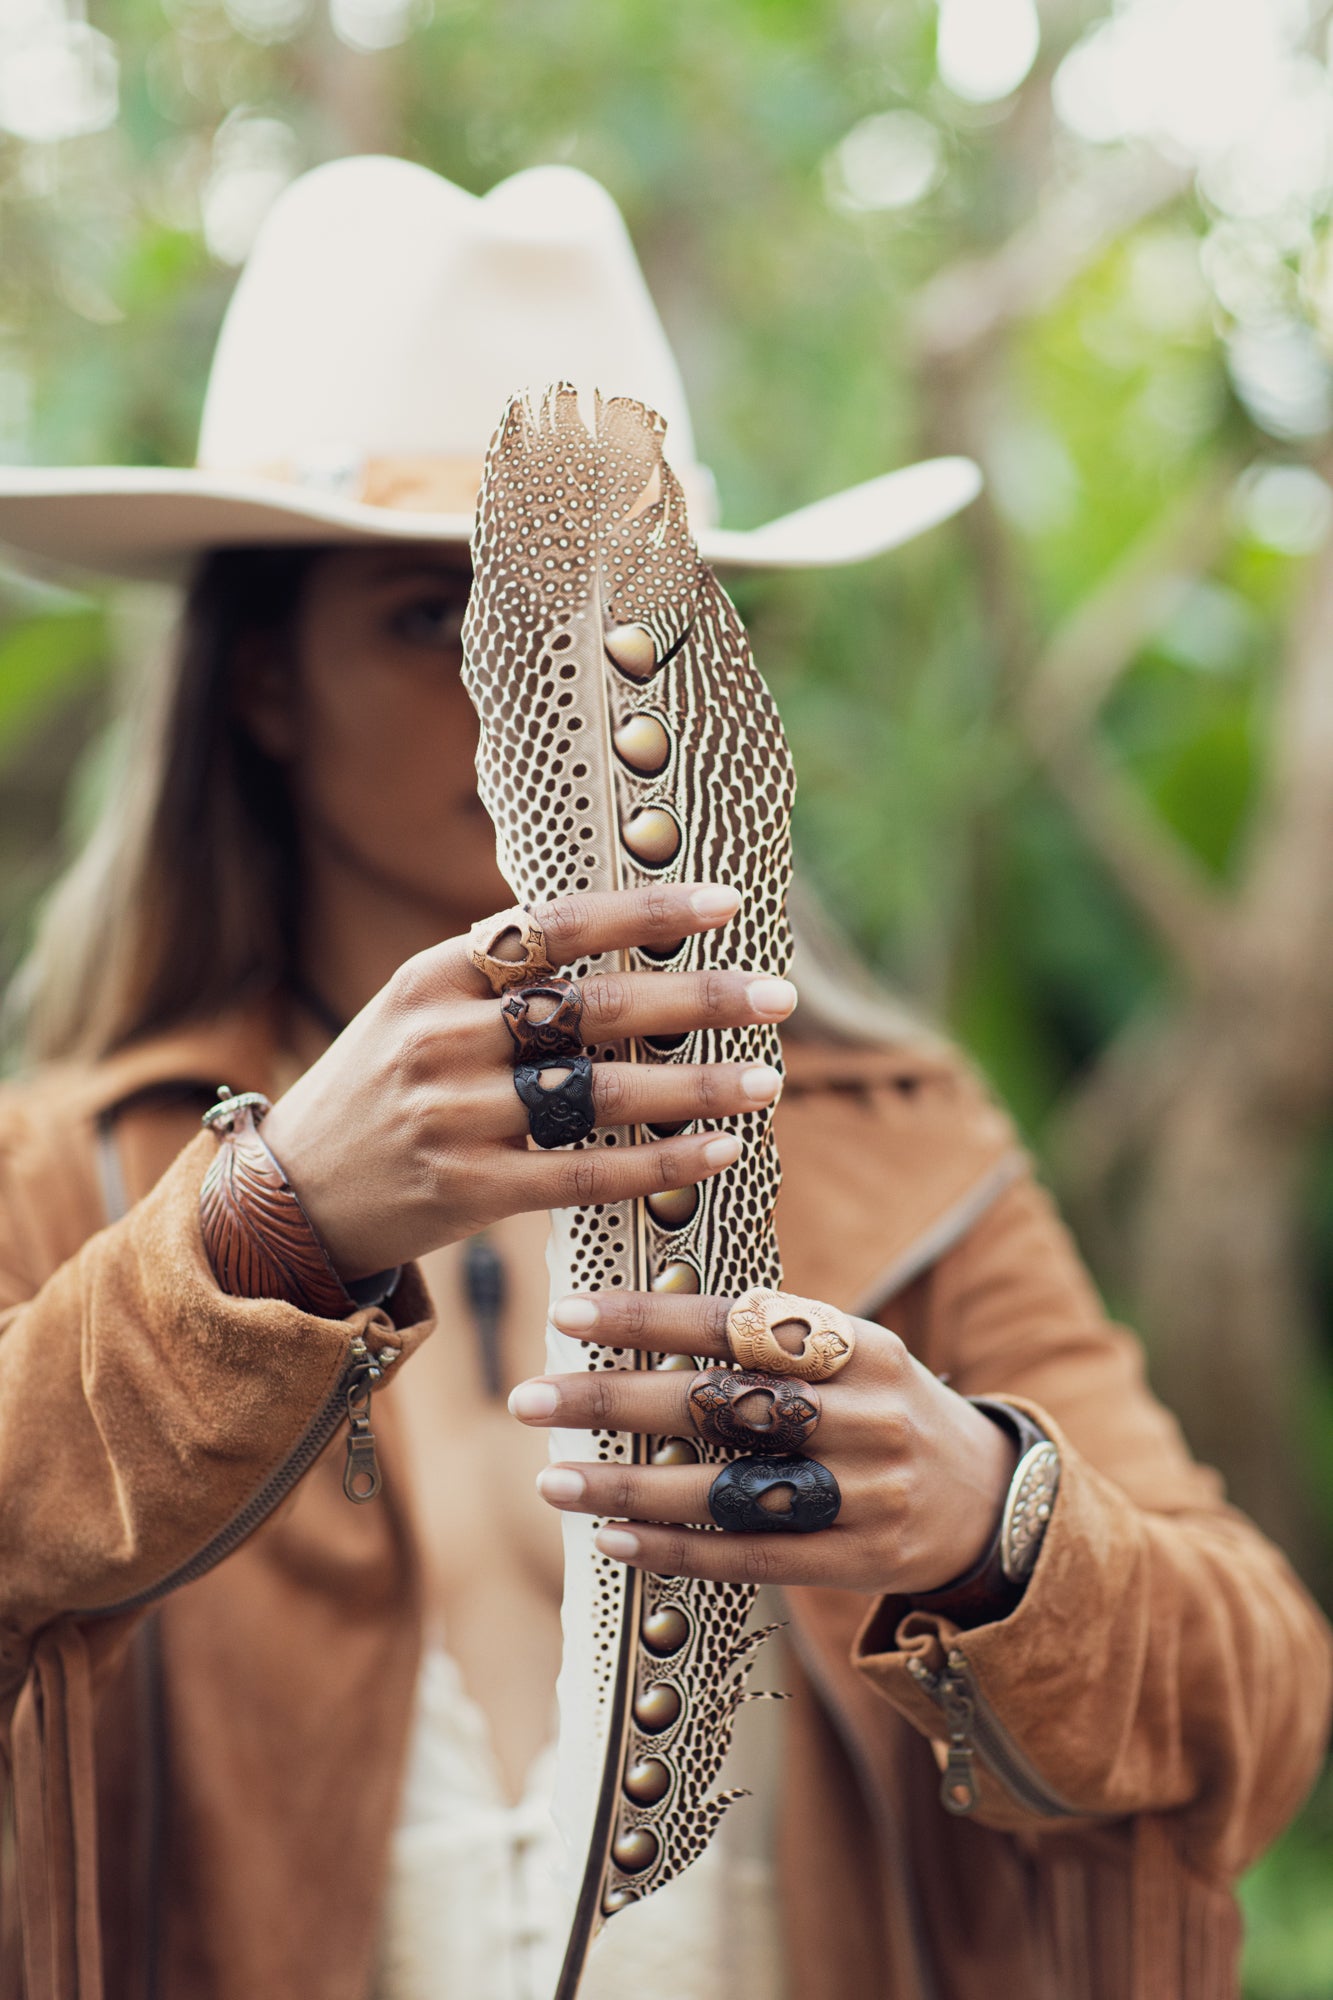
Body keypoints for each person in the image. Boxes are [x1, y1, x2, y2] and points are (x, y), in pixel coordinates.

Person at [0, 156, 1327, 2000]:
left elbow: (1255, 1699)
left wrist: (987, 1514)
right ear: (262, 684)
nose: (545, 674)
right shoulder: (64, 1181)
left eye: (622, 604)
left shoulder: (897, 1146)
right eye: (431, 614)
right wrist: (266, 1224)